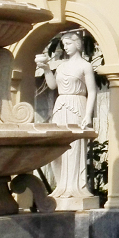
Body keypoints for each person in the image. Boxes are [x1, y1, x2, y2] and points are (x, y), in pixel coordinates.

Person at [36, 31, 97, 200]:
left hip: (77, 104)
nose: (66, 48)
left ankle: (75, 187)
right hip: (60, 105)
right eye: (64, 45)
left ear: (77, 44)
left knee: (74, 146)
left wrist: (88, 115)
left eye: (68, 44)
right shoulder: (61, 66)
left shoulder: (85, 66)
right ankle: (62, 185)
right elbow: (52, 85)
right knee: (58, 145)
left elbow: (92, 91)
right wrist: (46, 69)